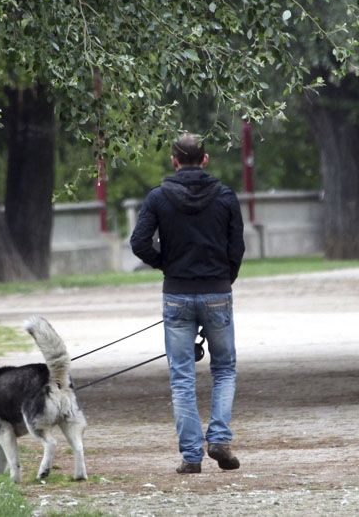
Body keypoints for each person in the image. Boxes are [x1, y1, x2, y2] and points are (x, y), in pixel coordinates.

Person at [130, 133, 245, 474]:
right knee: (224, 369)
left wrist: (166, 263)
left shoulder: (158, 198)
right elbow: (236, 247)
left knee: (182, 377)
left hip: (176, 294)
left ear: (174, 161)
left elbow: (139, 242)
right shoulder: (225, 196)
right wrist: (225, 278)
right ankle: (220, 437)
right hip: (217, 292)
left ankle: (191, 456)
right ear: (205, 159)